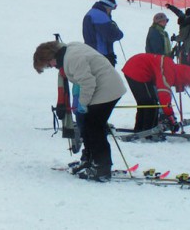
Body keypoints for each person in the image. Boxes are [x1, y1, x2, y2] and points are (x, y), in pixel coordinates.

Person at [33, 41, 126, 182]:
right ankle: (89, 159)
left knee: (94, 127)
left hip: (107, 90)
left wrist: (83, 103)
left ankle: (101, 168)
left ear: (51, 57)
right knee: (88, 125)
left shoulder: (72, 58)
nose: (52, 67)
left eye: (49, 64)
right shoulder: (69, 51)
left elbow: (87, 82)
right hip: (102, 88)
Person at [122, 53, 190, 133]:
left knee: (145, 103)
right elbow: (163, 96)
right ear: (185, 77)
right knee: (151, 105)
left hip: (134, 67)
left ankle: (140, 129)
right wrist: (171, 117)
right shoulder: (168, 72)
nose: (185, 85)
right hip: (137, 69)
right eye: (186, 83)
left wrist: (170, 116)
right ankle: (148, 132)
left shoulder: (172, 68)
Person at [82, 0, 124, 66]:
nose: (110, 12)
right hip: (101, 55)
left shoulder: (91, 13)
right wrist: (119, 33)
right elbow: (111, 35)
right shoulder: (100, 16)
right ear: (107, 7)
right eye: (111, 9)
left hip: (90, 51)